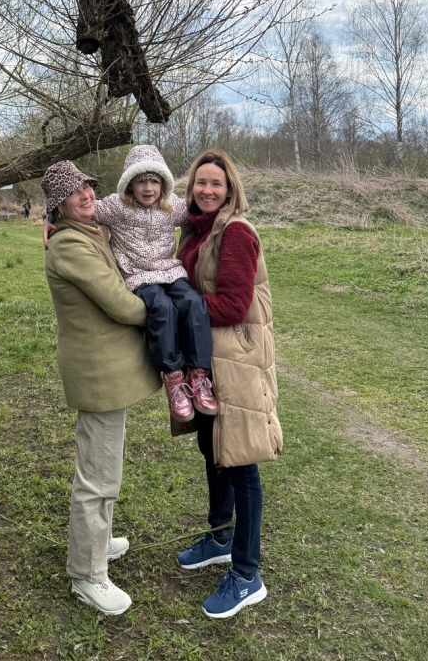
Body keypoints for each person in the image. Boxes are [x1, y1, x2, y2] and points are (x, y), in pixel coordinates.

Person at [42, 159, 160, 617]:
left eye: (88, 187)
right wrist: (162, 308)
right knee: (97, 476)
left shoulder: (87, 234)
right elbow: (122, 306)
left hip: (109, 371)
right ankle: (87, 575)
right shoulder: (70, 247)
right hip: (97, 374)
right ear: (59, 204)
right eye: (75, 192)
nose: (87, 195)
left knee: (106, 464)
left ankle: (99, 543)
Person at [173, 149, 283, 620]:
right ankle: (220, 536)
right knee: (212, 447)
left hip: (235, 360)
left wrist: (183, 311)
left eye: (216, 184)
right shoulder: (197, 228)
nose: (207, 190)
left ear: (230, 188)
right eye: (201, 182)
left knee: (240, 461)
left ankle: (247, 573)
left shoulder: (235, 232)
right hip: (207, 360)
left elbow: (235, 305)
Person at [45, 145, 217, 422]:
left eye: (154, 181)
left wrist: (230, 215)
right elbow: (77, 207)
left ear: (164, 184)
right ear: (129, 185)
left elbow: (203, 214)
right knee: (162, 309)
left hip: (170, 271)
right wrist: (48, 218)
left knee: (194, 304)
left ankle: (198, 375)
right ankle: (173, 378)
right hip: (137, 275)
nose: (148, 188)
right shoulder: (115, 207)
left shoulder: (173, 207)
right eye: (140, 181)